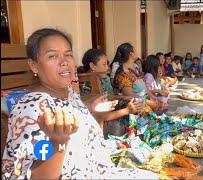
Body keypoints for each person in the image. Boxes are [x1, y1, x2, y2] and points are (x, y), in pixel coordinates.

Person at [1, 28, 158, 179]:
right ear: (34, 65)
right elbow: (27, 174)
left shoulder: (69, 94)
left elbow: (89, 141)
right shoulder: (32, 109)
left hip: (100, 170)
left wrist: (97, 116)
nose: (64, 62)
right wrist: (57, 143)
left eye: (68, 54)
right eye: (52, 56)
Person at [79, 48, 143, 133]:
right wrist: (126, 110)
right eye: (104, 64)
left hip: (109, 114)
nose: (107, 68)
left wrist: (124, 98)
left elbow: (109, 96)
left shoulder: (105, 79)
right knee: (118, 127)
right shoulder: (86, 84)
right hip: (97, 122)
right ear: (92, 66)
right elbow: (101, 115)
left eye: (107, 64)